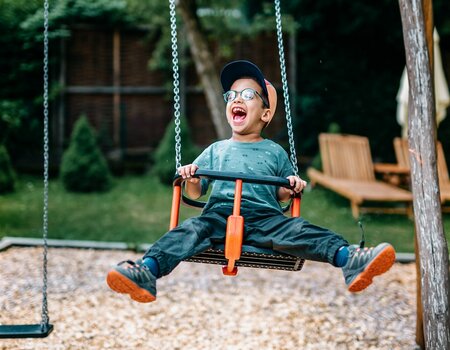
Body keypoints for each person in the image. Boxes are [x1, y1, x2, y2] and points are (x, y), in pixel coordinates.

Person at [106, 60, 396, 303]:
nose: (237, 100)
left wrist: (293, 184)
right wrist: (191, 175)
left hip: (265, 218)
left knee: (300, 231)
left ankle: (351, 259)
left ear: (265, 113)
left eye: (247, 94)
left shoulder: (275, 151)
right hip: (217, 216)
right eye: (231, 96)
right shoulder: (216, 149)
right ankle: (146, 271)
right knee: (187, 232)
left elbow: (282, 194)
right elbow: (196, 190)